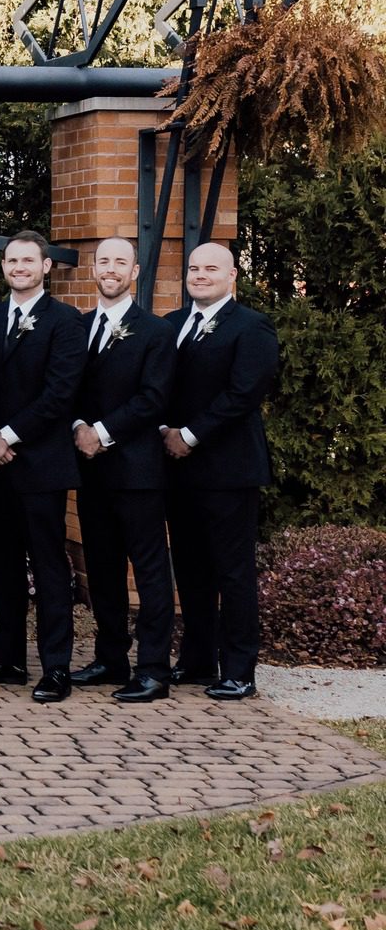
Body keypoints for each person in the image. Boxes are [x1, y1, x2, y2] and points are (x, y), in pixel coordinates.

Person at [0, 230, 85, 704]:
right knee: (2, 563)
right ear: (4, 267)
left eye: (28, 261)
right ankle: (8, 658)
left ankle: (56, 666)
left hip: (40, 463)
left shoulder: (65, 322)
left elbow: (60, 393)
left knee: (49, 565)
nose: (19, 268)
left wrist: (7, 437)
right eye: (12, 261)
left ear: (45, 267)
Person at [161, 242, 280, 701]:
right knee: (190, 569)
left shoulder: (252, 327)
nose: (200, 275)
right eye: (194, 268)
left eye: (211, 268)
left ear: (233, 277)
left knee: (233, 571)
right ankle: (195, 660)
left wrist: (188, 434)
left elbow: (243, 393)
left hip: (229, 469)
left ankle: (239, 670)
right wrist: (164, 430)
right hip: (178, 470)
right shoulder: (171, 325)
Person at [69, 238, 177, 703]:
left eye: (120, 262)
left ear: (135, 272)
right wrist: (78, 427)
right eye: (103, 261)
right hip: (90, 470)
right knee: (102, 567)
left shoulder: (154, 331)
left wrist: (103, 432)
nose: (110, 269)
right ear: (94, 269)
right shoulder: (79, 328)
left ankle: (153, 668)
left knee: (149, 570)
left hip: (136, 471)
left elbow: (154, 399)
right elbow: (66, 389)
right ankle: (111, 656)